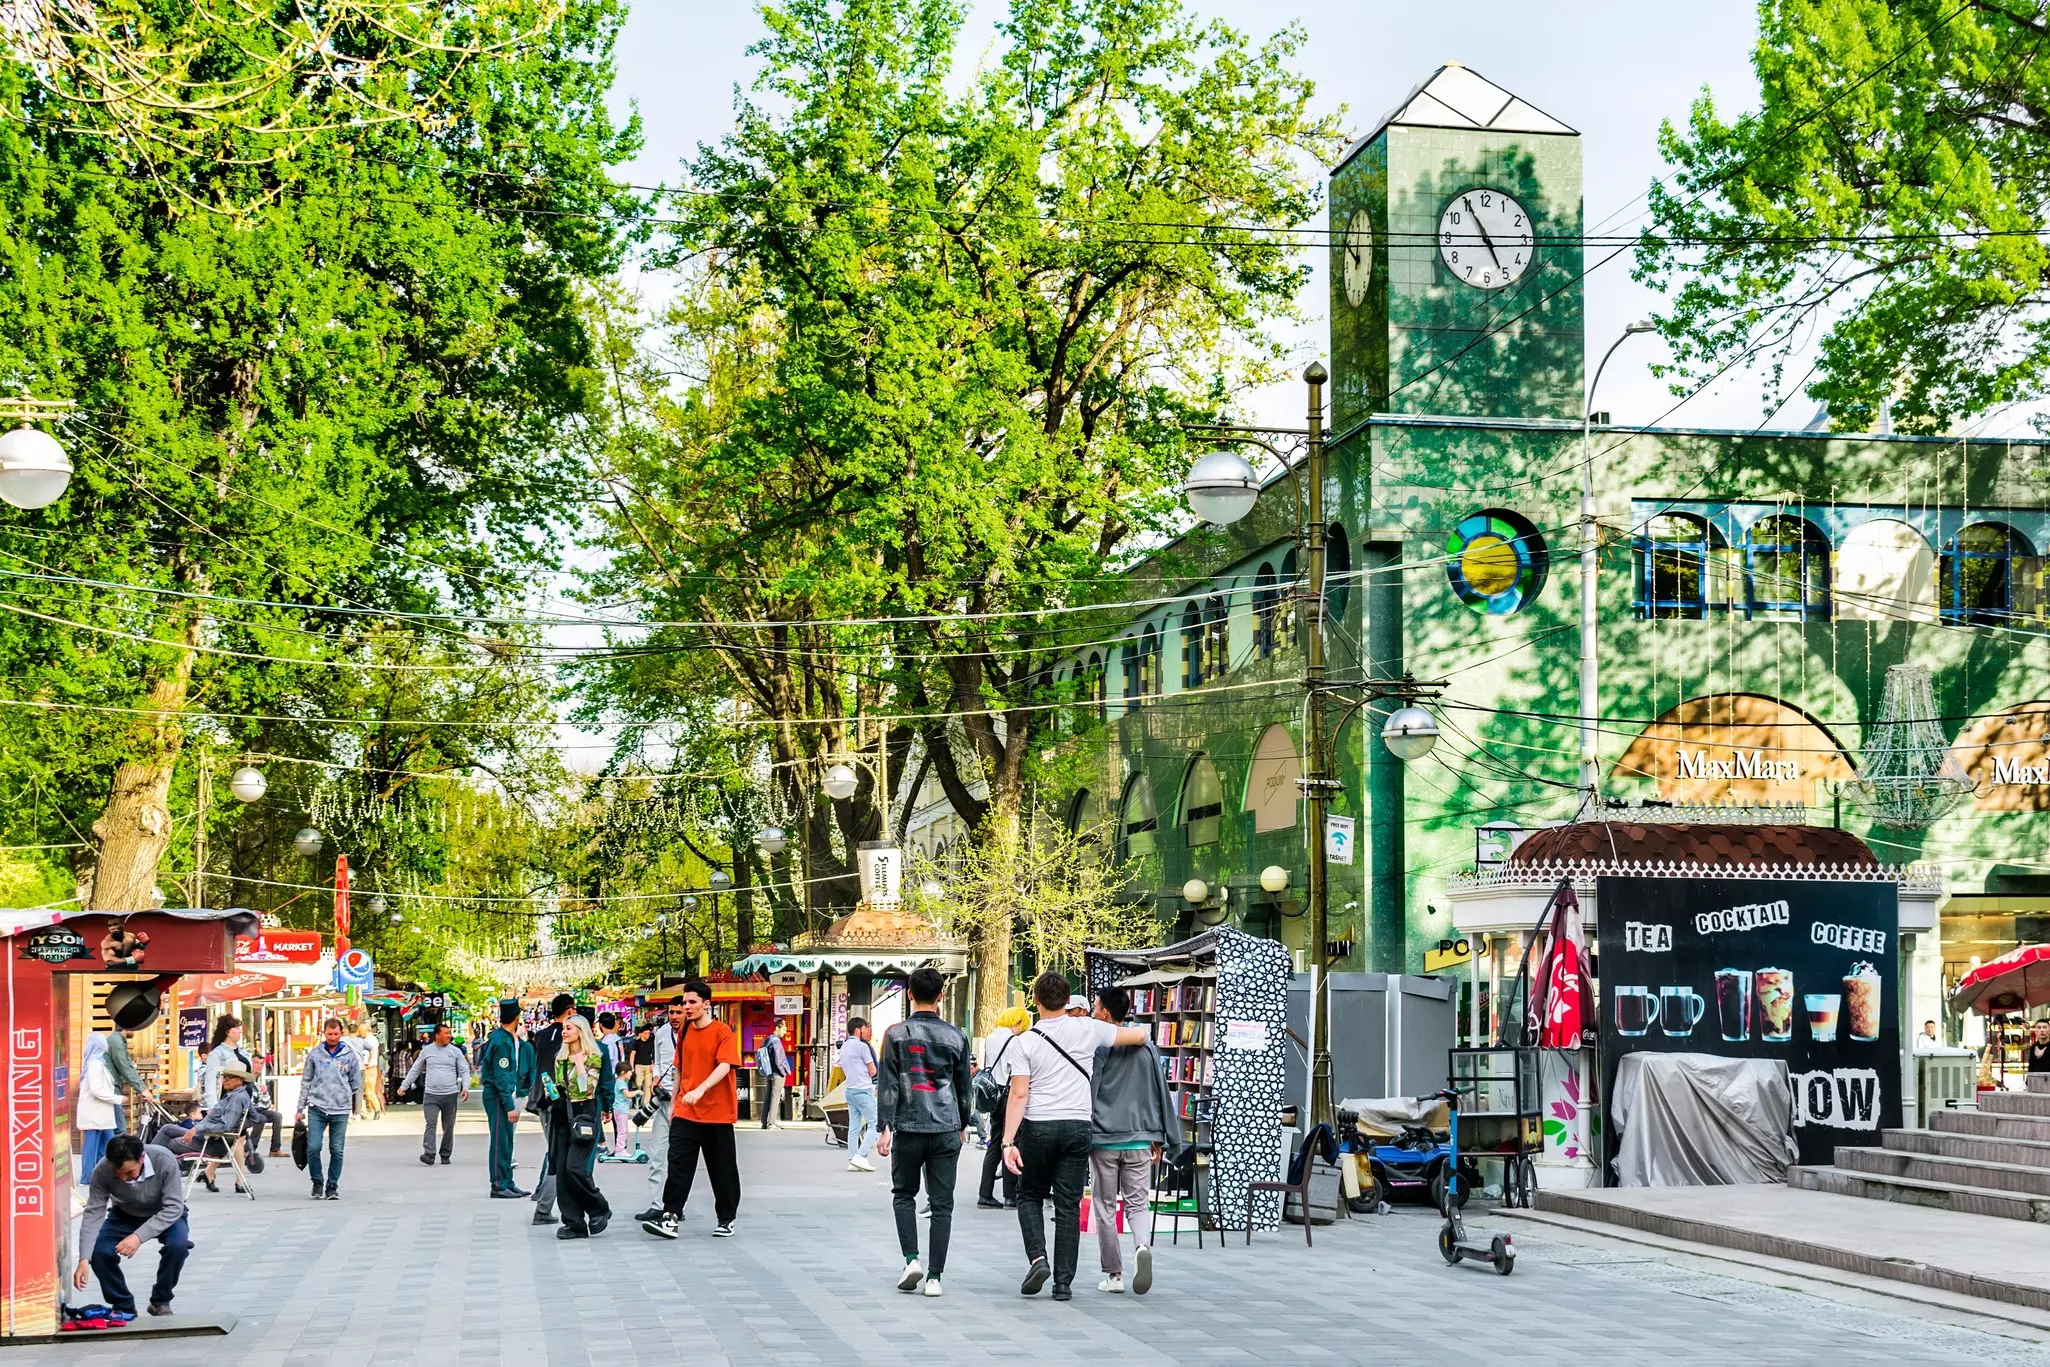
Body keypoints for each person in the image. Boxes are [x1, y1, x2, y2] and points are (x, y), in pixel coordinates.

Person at [1001, 972, 1150, 1302]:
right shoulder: (1089, 1028)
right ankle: (1063, 1284)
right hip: (1078, 1126)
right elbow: (1137, 1036)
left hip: (1039, 1127)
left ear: (1035, 1001)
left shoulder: (1024, 1041)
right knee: (1068, 1203)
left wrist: (1008, 1142)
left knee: (1029, 1194)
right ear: (1068, 1001)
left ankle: (1038, 1259)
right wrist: (1140, 1037)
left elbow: (1019, 1094)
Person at [875, 968, 972, 1298]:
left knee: (904, 1194)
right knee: (942, 1205)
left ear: (909, 994)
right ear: (941, 996)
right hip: (946, 1127)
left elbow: (887, 1085)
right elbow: (964, 1088)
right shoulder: (957, 1037)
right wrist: (963, 1123)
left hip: (909, 1126)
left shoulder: (895, 1034)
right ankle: (934, 1278)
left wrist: (884, 1127)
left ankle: (911, 1259)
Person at [1088, 985, 1175, 1296]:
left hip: (1104, 1138)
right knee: (1138, 1203)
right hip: (1140, 1137)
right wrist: (1159, 1135)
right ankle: (1141, 1246)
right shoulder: (1146, 1048)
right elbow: (1157, 1091)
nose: (1092, 1012)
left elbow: (1090, 1089)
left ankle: (1114, 1275)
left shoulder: (1098, 1048)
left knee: (1105, 1207)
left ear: (1106, 1014)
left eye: (1095, 1007)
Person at [642, 979, 741, 1240]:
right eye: (684, 1002)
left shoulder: (723, 1032)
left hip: (717, 1113)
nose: (687, 1007)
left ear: (706, 1005)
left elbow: (726, 1065)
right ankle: (670, 1217)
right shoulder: (684, 1032)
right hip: (686, 1112)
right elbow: (680, 1069)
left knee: (722, 1169)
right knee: (678, 1164)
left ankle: (726, 1218)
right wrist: (675, 1103)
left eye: (692, 1002)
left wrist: (702, 1089)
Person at [75, 1134, 190, 1321]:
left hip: (165, 1212)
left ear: (142, 1158)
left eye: (129, 1172)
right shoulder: (102, 1170)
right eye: (118, 1174)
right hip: (124, 1214)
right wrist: (84, 1258)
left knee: (178, 1246)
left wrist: (138, 1237)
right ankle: (123, 1305)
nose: (125, 1179)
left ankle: (160, 1301)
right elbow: (94, 1213)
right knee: (99, 1252)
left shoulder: (164, 1160)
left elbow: (174, 1207)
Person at [545, 1012, 616, 1239]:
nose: (564, 1032)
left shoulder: (593, 1056)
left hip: (585, 1115)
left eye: (570, 1028)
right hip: (562, 1114)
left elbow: (587, 1090)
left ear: (581, 1032)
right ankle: (574, 1223)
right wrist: (551, 1092)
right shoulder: (560, 1058)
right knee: (563, 1173)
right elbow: (561, 1088)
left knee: (575, 1168)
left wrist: (580, 1066)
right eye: (564, 1028)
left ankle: (599, 1208)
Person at [155, 1066, 255, 1194]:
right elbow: (257, 1117)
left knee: (171, 1142)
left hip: (213, 1142)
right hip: (209, 1136)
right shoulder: (235, 1095)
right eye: (223, 1077)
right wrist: (242, 1124)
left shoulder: (237, 1099)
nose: (224, 1080)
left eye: (228, 1078)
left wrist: (197, 1128)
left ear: (239, 1081)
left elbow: (226, 1126)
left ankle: (151, 1169)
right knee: (167, 1129)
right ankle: (148, 1162)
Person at [296, 1018, 363, 1200]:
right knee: (313, 1147)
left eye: (336, 1034)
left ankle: (332, 1186)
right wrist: (300, 1107)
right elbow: (306, 1081)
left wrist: (346, 1095)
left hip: (340, 1109)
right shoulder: (315, 1054)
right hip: (317, 1107)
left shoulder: (349, 1055)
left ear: (341, 1033)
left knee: (337, 1149)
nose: (332, 1037)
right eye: (329, 1034)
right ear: (323, 1033)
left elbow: (355, 1081)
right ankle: (317, 1181)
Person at [632, 998, 686, 1225]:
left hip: (686, 1101)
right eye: (671, 1012)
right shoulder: (662, 1033)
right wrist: (656, 1080)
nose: (674, 1016)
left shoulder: (697, 1032)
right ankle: (657, 1204)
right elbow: (660, 1063)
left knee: (681, 1157)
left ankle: (676, 1206)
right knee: (657, 1154)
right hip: (664, 1100)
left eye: (679, 1012)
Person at [203, 1017, 283, 1159]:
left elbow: (248, 1077)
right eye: (237, 1029)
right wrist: (212, 1105)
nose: (240, 1032)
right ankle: (234, 1177)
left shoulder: (243, 1052)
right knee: (236, 1137)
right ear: (228, 1031)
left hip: (244, 1099)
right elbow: (210, 1080)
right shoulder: (218, 1053)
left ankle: (225, 1175)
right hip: (228, 1100)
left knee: (238, 1137)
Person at [976, 1006, 1031, 1209]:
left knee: (995, 1143)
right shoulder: (1015, 1041)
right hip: (1009, 1095)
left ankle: (985, 1192)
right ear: (1018, 1022)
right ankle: (1010, 1195)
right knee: (1011, 1142)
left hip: (993, 1095)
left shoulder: (991, 1038)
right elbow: (1014, 1070)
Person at [525, 995, 574, 1222]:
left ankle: (541, 1194)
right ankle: (544, 1207)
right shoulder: (570, 1036)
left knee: (554, 1149)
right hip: (562, 1100)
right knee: (559, 1154)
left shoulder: (541, 1035)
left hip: (542, 1100)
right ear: (570, 1010)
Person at [402, 1021, 473, 1166]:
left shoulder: (455, 1051)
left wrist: (465, 1087)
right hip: (431, 1095)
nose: (449, 1036)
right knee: (430, 1124)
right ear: (437, 1035)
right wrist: (404, 1086)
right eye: (446, 1033)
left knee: (448, 1126)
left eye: (449, 1033)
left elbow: (464, 1070)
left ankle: (445, 1153)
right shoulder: (427, 1051)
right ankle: (429, 1153)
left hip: (450, 1095)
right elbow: (415, 1069)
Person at [479, 1001, 527, 1199]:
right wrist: (509, 1106)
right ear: (517, 1018)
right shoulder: (501, 1042)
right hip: (498, 1095)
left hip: (503, 1093)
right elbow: (501, 1077)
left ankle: (508, 1181)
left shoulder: (505, 1038)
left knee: (507, 1140)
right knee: (500, 1140)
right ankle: (498, 1184)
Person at [76, 1033, 123, 1184]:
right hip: (94, 1113)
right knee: (93, 1147)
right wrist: (117, 1099)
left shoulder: (100, 1063)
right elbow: (96, 1089)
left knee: (106, 1145)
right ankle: (87, 1178)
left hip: (101, 1114)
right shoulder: (95, 1064)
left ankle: (106, 1175)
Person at [839, 1017, 878, 1172]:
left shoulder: (844, 1047)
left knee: (854, 1127)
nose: (866, 1031)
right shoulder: (862, 1047)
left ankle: (852, 1158)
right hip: (863, 1090)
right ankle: (860, 1156)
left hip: (850, 1090)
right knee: (875, 1123)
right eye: (864, 1028)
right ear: (857, 1030)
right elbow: (873, 1070)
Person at [598, 1011, 632, 1155]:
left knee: (611, 1112)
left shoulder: (606, 1042)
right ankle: (620, 1145)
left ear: (600, 1025)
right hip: (620, 1077)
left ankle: (614, 1145)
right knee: (619, 1113)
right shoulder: (618, 1039)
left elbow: (608, 1061)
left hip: (611, 1078)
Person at [105, 1028, 149, 1129]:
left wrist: (143, 1089)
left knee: (110, 1130)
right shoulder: (116, 1042)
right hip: (110, 1091)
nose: (135, 1029)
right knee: (119, 1129)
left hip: (112, 1090)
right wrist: (142, 1089)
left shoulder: (119, 1041)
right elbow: (124, 1067)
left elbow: (129, 1066)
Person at [754, 1022, 793, 1129]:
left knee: (768, 1097)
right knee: (775, 1097)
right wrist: (783, 1072)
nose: (785, 1033)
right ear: (777, 1028)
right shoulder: (776, 1041)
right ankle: (772, 1123)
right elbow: (779, 1059)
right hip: (777, 1073)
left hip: (769, 1072)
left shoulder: (767, 1039)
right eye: (784, 1029)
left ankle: (764, 1122)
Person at [349, 1023, 384, 1118]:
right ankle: (362, 1112)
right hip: (363, 1067)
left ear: (365, 1030)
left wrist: (369, 1061)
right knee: (360, 1091)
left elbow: (373, 1050)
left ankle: (377, 1110)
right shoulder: (363, 1040)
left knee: (369, 1092)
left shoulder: (371, 1040)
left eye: (361, 1031)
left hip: (370, 1068)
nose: (359, 1033)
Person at [629, 1023, 655, 1103]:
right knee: (638, 1083)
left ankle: (645, 1104)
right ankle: (638, 1098)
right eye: (645, 1033)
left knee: (648, 1086)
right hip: (639, 1065)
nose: (647, 1035)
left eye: (648, 1033)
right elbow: (632, 1055)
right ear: (641, 1034)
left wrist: (653, 1063)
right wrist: (632, 1066)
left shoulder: (652, 1040)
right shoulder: (636, 1042)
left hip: (648, 1065)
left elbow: (655, 1052)